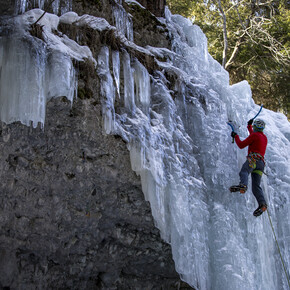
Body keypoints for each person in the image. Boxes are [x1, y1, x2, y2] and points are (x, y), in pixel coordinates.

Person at [230, 119, 268, 217]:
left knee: (244, 171)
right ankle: (262, 204)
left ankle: (243, 185)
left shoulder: (254, 135)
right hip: (261, 164)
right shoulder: (264, 137)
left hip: (253, 160)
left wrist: (236, 136)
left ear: (255, 127)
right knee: (256, 187)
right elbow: (254, 136)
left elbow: (241, 145)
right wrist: (249, 126)